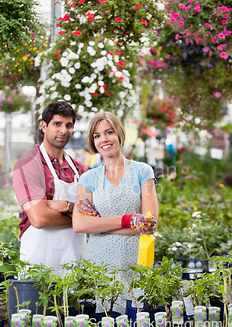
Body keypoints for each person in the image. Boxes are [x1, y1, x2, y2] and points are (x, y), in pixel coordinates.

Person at [73, 112, 158, 313]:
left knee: (135, 318)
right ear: (93, 141)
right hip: (98, 264)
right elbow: (80, 224)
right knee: (101, 320)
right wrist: (128, 220)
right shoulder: (88, 178)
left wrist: (100, 227)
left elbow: (149, 224)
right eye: (97, 135)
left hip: (135, 262)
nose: (104, 139)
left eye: (109, 132)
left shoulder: (142, 172)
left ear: (119, 133)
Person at [12, 101, 88, 276]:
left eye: (69, 125)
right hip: (39, 260)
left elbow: (95, 212)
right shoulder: (28, 165)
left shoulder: (80, 170)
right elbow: (39, 218)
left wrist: (63, 206)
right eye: (57, 124)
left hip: (74, 260)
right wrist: (81, 219)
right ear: (44, 126)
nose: (63, 130)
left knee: (73, 302)